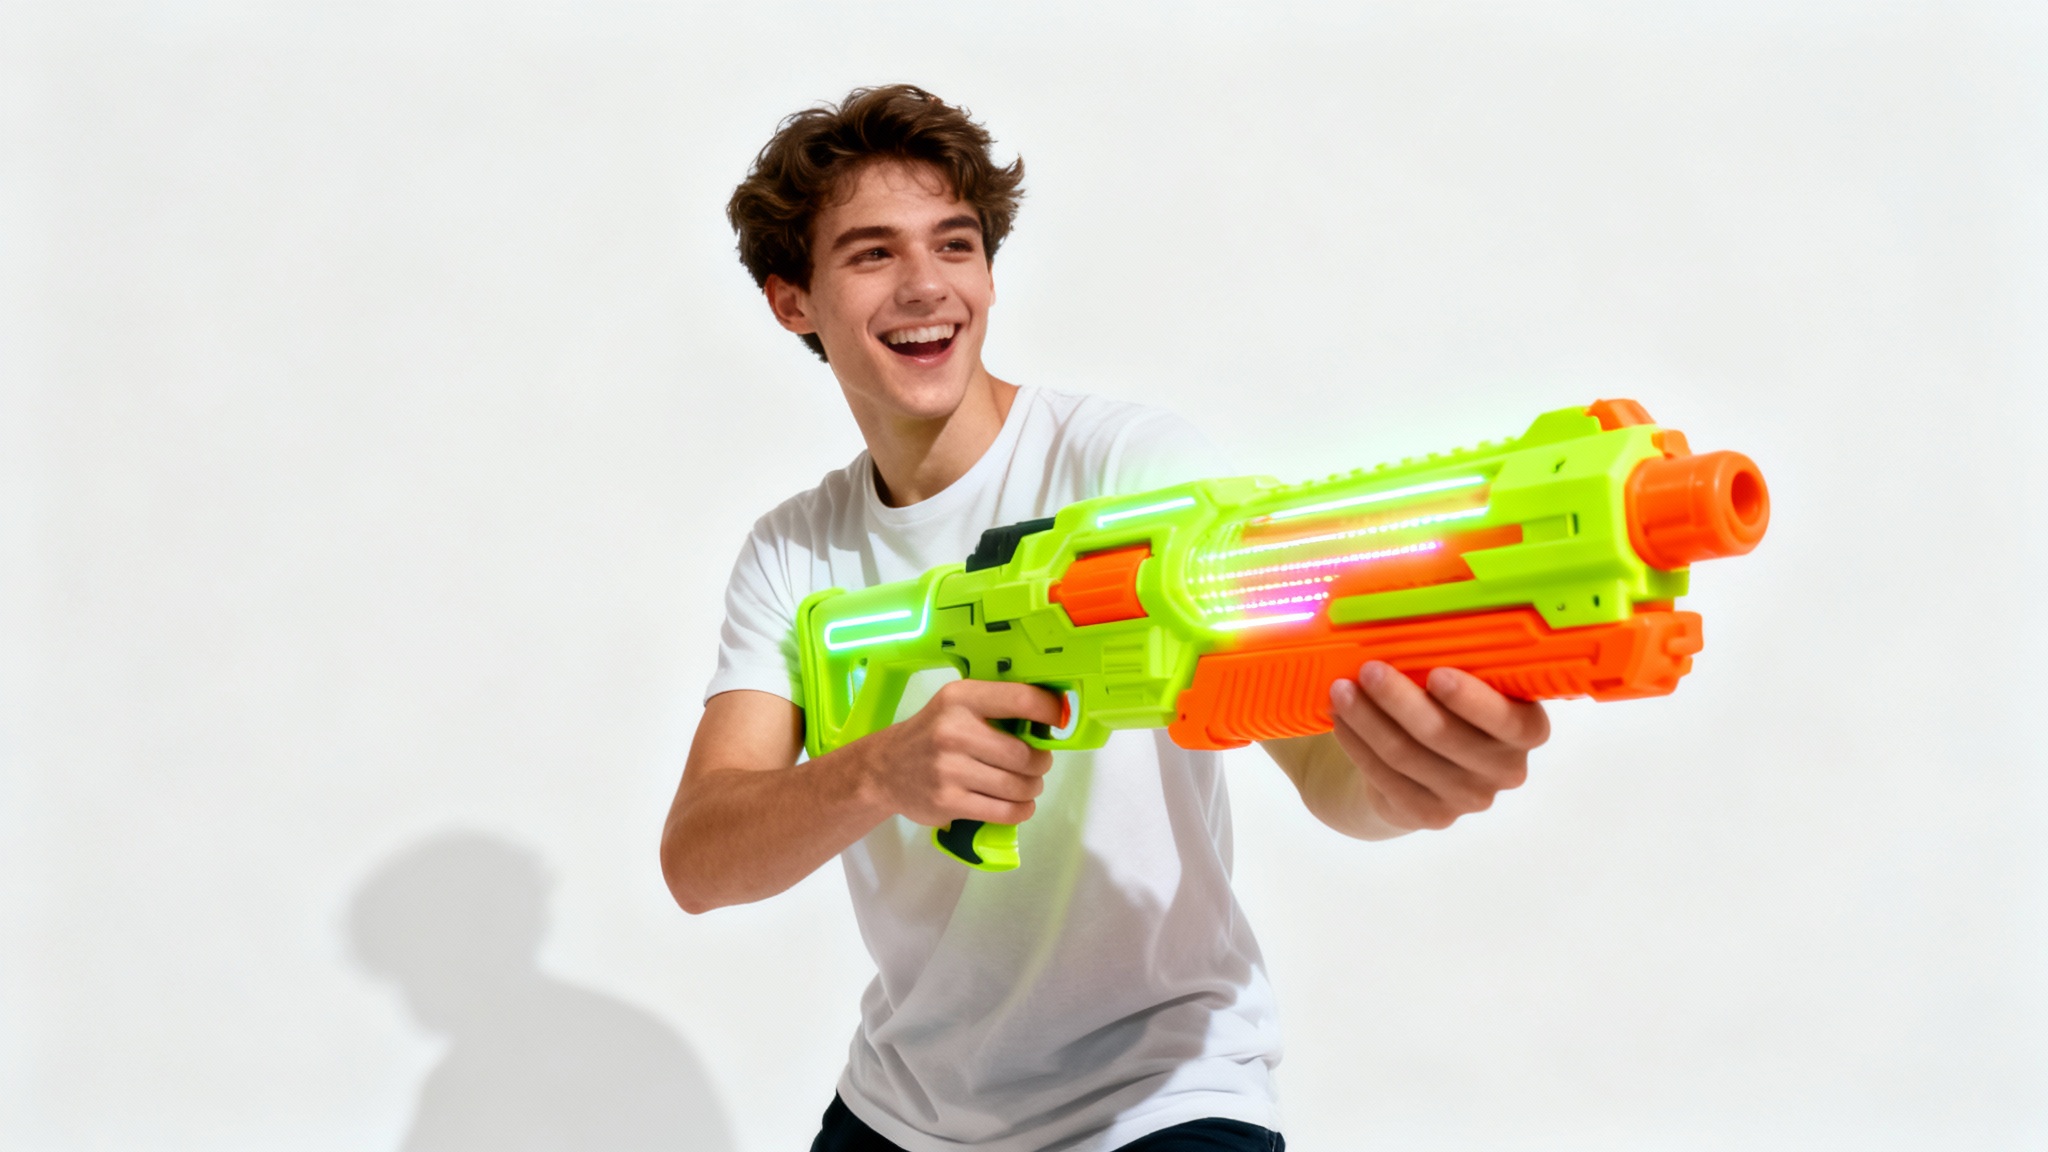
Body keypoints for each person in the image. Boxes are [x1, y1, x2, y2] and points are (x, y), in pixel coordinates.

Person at [660, 85, 1550, 1152]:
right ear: (790, 301)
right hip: (902, 1109)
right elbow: (699, 860)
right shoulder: (795, 551)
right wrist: (878, 773)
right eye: (870, 254)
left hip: (1162, 1091)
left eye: (955, 243)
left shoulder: (1131, 470)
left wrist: (1410, 774)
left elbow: (1326, 772)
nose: (927, 286)